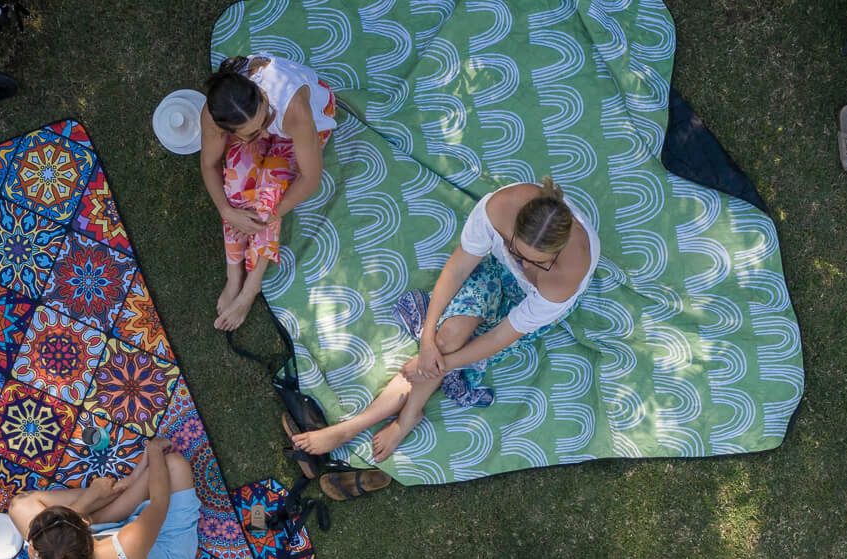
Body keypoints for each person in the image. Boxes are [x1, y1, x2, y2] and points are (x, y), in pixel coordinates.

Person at [290, 178, 601, 461]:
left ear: (556, 256)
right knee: (446, 336)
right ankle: (371, 423)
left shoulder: (563, 279)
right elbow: (457, 270)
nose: (521, 264)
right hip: (495, 274)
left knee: (450, 354)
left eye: (535, 263)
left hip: (529, 303)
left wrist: (437, 364)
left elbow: (499, 337)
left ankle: (391, 420)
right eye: (515, 250)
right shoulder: (499, 209)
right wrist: (427, 340)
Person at [197, 54, 338, 332]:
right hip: (269, 118)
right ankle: (234, 271)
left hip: (308, 123)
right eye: (251, 135)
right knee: (236, 182)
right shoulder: (214, 114)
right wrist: (226, 211)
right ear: (226, 129)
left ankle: (252, 284)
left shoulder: (294, 107)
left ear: (262, 95)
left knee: (270, 189)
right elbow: (209, 164)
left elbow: (310, 179)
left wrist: (269, 216)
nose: (264, 138)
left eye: (264, 123)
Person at [7, 437, 201, 559]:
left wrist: (91, 498)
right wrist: (155, 452)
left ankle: (123, 489)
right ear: (86, 525)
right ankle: (121, 490)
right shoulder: (124, 547)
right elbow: (160, 502)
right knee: (173, 464)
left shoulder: (42, 555)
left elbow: (66, 525)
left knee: (20, 506)